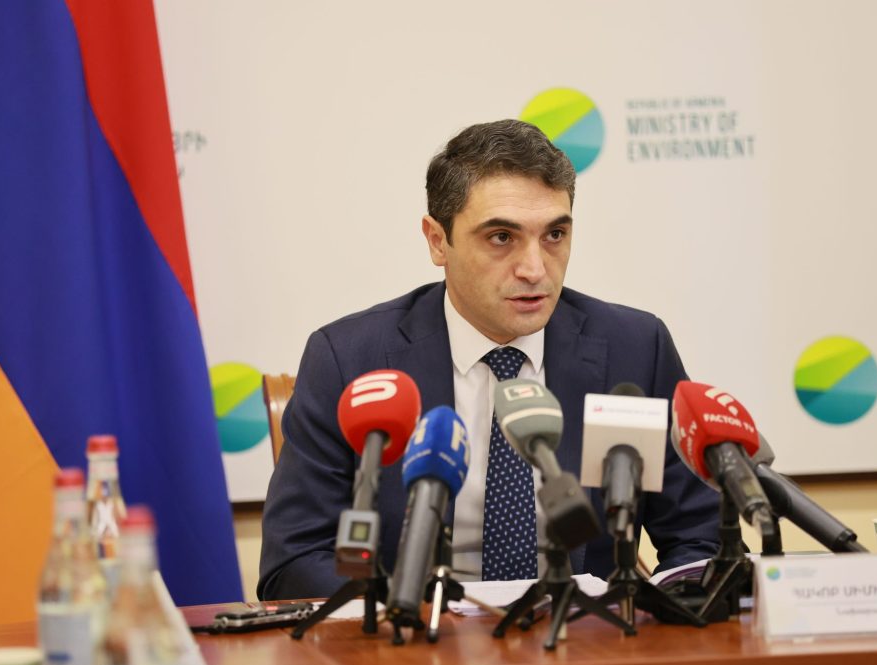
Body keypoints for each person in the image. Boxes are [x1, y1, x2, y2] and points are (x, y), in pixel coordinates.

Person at [257, 119, 720, 600]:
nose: (534, 269)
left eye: (555, 234)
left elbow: (698, 539)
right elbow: (294, 561)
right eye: (501, 237)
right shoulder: (351, 361)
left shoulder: (634, 350)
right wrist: (410, 618)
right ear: (438, 241)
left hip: (583, 632)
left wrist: (648, 614)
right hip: (420, 634)